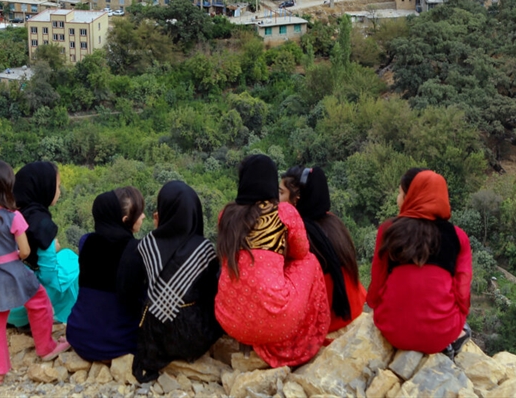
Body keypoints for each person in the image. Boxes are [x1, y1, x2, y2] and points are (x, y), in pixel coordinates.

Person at [0, 159, 70, 386]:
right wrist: (12, 257)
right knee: (39, 303)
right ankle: (46, 347)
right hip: (14, 273)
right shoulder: (14, 217)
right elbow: (25, 251)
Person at [215, 155, 330, 368]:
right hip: (275, 324)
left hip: (229, 318)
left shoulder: (226, 215)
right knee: (310, 262)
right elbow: (301, 252)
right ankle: (303, 339)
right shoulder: (284, 212)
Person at [117, 181, 222, 383]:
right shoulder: (205, 250)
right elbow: (212, 296)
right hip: (195, 338)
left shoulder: (146, 245)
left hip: (154, 338)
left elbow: (129, 292)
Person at [366, 168, 473, 356]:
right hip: (440, 335)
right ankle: (449, 345)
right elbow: (463, 294)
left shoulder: (389, 230)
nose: (398, 199)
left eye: (400, 193)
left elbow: (376, 285)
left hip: (392, 330)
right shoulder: (458, 237)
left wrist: (378, 305)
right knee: (462, 323)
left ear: (413, 196)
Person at [280, 166, 366, 333]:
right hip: (353, 304)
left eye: (281, 193)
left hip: (328, 316)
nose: (276, 199)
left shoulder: (299, 232)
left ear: (297, 198)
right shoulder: (333, 221)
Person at [66, 187, 145, 362]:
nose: (143, 216)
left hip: (78, 337)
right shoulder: (138, 250)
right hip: (118, 342)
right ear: (126, 220)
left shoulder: (85, 242)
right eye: (139, 213)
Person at [6, 161, 80, 328]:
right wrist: (53, 249)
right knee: (71, 260)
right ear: (43, 187)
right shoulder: (41, 224)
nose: (59, 191)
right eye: (58, 186)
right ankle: (69, 318)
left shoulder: (7, 214)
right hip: (20, 306)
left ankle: (16, 320)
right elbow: (49, 277)